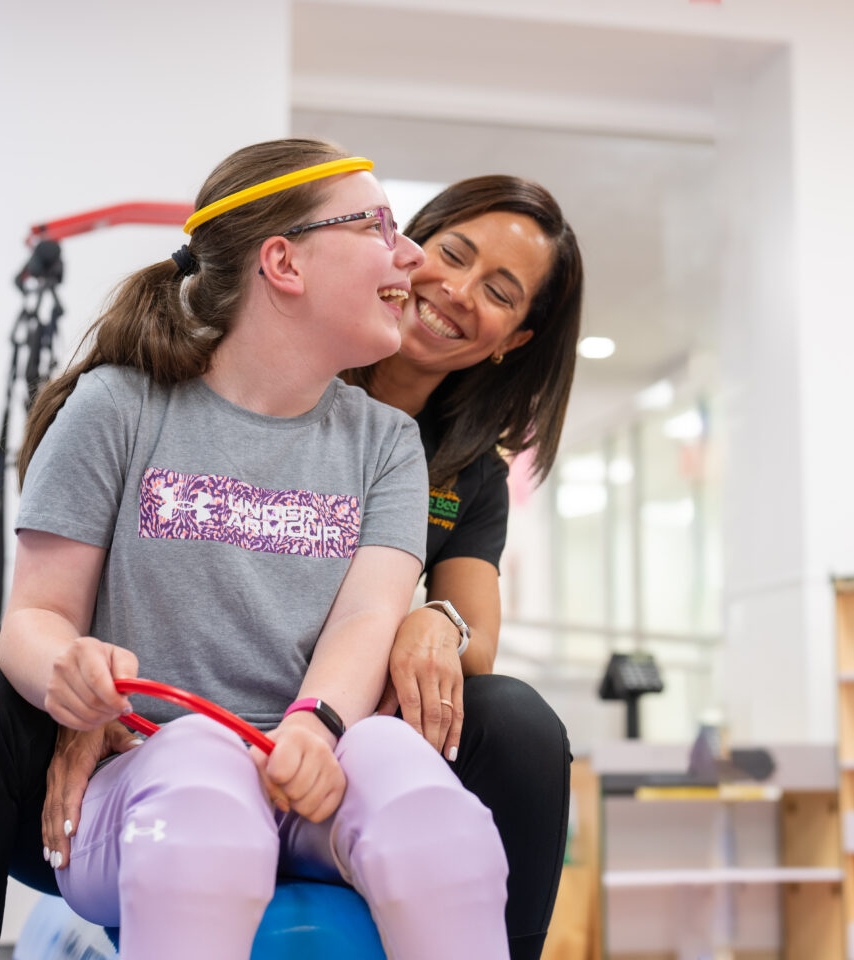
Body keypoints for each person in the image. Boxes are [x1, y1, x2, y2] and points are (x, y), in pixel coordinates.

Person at [0, 138, 511, 960]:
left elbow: (371, 614)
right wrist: (71, 672)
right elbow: (35, 618)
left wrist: (316, 725)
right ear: (283, 263)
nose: (408, 255)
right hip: (149, 775)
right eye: (378, 226)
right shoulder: (116, 407)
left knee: (433, 820)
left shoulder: (388, 444)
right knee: (201, 790)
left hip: (314, 768)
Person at [345, 175, 583, 959]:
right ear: (409, 245)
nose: (456, 290)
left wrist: (434, 618)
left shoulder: (472, 470)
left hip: (361, 716)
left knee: (515, 719)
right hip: (237, 685)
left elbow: (477, 637)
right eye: (452, 253)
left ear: (513, 338)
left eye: (500, 292)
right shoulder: (293, 383)